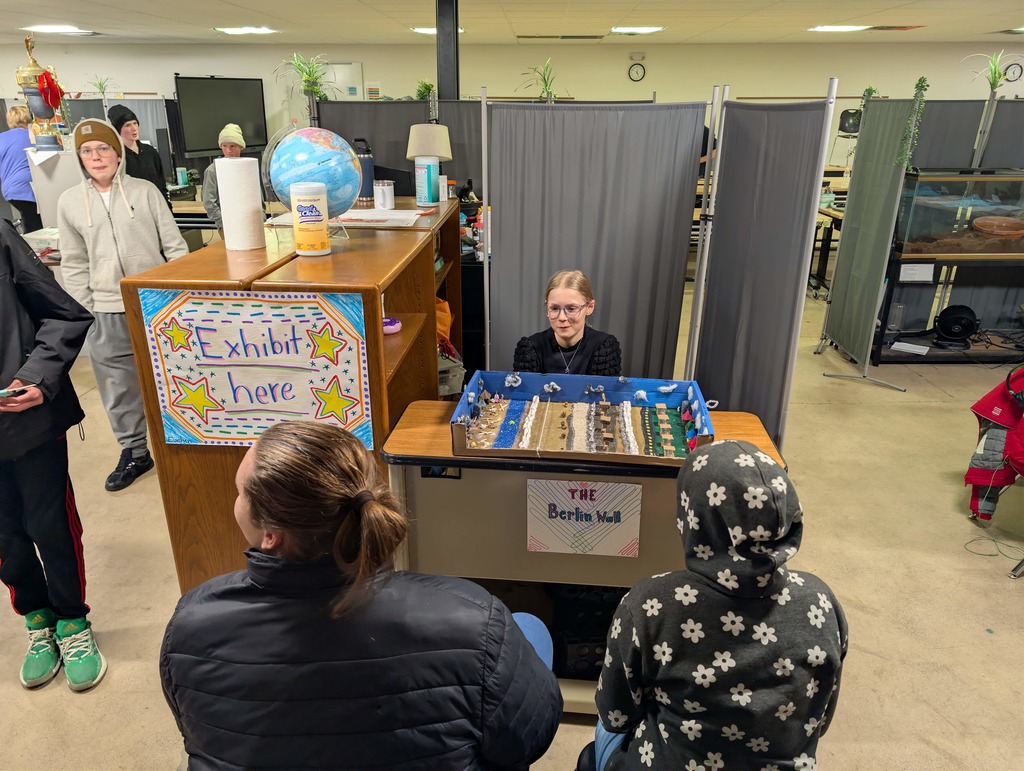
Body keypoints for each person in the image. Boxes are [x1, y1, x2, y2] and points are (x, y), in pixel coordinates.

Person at [161, 420, 563, 769]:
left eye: (239, 492)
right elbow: (528, 739)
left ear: (270, 534)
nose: (236, 501)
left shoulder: (191, 624)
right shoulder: (475, 620)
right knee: (528, 630)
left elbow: (196, 733)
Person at [579, 440, 848, 771]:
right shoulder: (822, 601)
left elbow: (616, 714)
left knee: (601, 738)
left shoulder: (649, 603)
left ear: (693, 519)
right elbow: (819, 722)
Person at [0, 219, 107, 692]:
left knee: (49, 524)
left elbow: (65, 314)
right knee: (5, 535)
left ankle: (70, 621)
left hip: (27, 424)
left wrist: (38, 379)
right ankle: (37, 620)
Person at [57, 118, 188, 491]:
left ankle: (180, 444)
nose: (96, 157)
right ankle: (134, 451)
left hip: (154, 305)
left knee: (173, 377)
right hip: (105, 309)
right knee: (118, 387)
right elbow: (74, 261)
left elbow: (175, 248)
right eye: (87, 151)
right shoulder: (69, 202)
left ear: (117, 153)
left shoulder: (146, 192)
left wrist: (175, 298)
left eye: (102, 148)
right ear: (79, 158)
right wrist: (86, 314)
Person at [513, 269, 622, 376]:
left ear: (589, 307)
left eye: (571, 308)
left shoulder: (603, 349)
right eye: (554, 308)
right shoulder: (531, 349)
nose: (562, 317)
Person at [106, 104, 170, 208]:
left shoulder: (150, 151)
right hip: (133, 211)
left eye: (135, 123)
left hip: (157, 207)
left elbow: (161, 185)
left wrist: (167, 208)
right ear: (118, 130)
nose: (133, 128)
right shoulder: (116, 157)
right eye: (127, 125)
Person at [0, 105, 42, 233]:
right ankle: (32, 251)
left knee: (29, 219)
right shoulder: (33, 136)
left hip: (9, 190)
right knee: (36, 227)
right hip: (29, 188)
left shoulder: (1, 138)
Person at [202, 123, 246, 237]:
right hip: (227, 227)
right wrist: (223, 223)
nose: (228, 150)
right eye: (224, 146)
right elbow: (209, 202)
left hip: (249, 222)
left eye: (233, 146)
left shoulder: (247, 167)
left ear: (241, 146)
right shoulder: (213, 170)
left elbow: (256, 197)